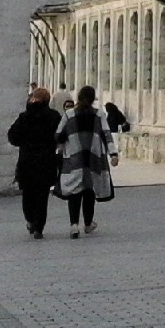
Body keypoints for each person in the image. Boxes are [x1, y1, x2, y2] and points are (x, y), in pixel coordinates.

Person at [53, 86, 114, 239]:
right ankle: (88, 223)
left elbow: (58, 134)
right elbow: (107, 134)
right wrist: (113, 154)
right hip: (93, 158)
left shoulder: (69, 115)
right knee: (89, 190)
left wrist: (62, 145)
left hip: (74, 158)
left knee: (74, 191)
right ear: (93, 98)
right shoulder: (99, 114)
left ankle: (74, 225)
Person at [7, 87, 62, 238]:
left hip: (27, 161)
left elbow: (12, 136)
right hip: (46, 160)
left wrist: (25, 143)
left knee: (28, 193)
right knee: (42, 196)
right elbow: (61, 136)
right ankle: (39, 227)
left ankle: (30, 219)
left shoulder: (24, 117)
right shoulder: (54, 116)